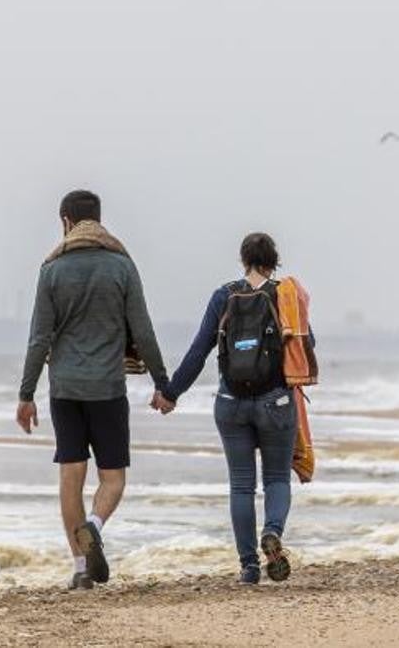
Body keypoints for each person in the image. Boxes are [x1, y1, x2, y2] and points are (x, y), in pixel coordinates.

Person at [16, 190, 169, 590]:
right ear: (98, 220)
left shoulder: (51, 270)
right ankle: (95, 526)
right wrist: (162, 382)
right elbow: (144, 330)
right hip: (107, 389)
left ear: (66, 222)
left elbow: (38, 338)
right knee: (113, 478)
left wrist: (26, 394)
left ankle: (82, 568)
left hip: (65, 388)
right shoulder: (121, 266)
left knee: (71, 476)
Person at [153, 232, 313, 585]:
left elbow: (199, 350)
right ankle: (272, 532)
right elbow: (306, 344)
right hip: (277, 401)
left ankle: (249, 567)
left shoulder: (224, 295)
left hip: (230, 404)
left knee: (241, 486)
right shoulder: (284, 294)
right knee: (275, 478)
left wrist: (171, 392)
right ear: (274, 262)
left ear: (243, 261)